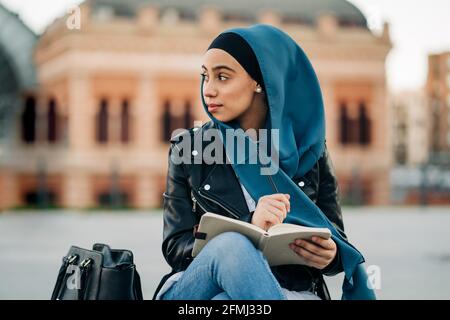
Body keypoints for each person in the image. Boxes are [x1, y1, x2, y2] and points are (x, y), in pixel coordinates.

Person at [152, 24, 375, 300]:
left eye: (222, 77)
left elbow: (335, 237)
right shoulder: (190, 148)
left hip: (289, 291)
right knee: (231, 246)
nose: (208, 90)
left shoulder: (311, 151)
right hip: (196, 288)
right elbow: (175, 247)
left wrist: (331, 256)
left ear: (260, 81)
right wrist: (250, 225)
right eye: (205, 77)